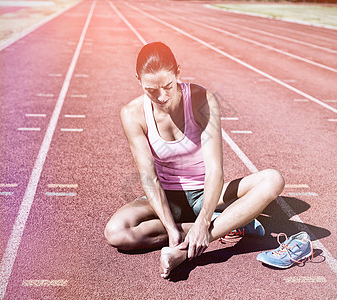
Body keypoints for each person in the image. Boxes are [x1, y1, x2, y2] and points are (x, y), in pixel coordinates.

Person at [104, 42, 285, 279]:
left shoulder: (202, 100)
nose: (161, 96)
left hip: (205, 193)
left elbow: (214, 172)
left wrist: (204, 222)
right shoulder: (132, 113)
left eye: (168, 86)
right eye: (151, 90)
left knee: (273, 180)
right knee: (116, 233)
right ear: (138, 79)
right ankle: (230, 223)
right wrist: (171, 230)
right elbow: (149, 178)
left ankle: (200, 238)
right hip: (167, 198)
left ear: (178, 72)